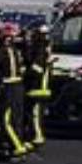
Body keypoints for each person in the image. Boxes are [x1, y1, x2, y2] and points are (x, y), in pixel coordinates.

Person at [0, 24, 30, 159]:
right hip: (19, 87)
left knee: (6, 120)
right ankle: (13, 146)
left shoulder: (2, 50)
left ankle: (17, 147)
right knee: (16, 119)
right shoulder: (16, 51)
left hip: (9, 88)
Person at [24, 23, 53, 151]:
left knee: (35, 114)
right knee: (33, 113)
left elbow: (37, 68)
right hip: (39, 86)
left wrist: (25, 73)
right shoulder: (44, 46)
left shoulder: (41, 47)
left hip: (39, 86)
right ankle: (32, 136)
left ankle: (37, 138)